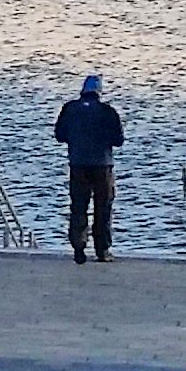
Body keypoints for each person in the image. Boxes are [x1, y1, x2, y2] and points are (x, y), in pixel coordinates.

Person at [55, 74, 124, 263]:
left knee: (78, 206)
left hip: (77, 164)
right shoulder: (107, 111)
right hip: (102, 165)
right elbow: (118, 140)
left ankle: (79, 244)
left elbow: (59, 135)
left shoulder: (69, 109)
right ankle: (102, 250)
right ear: (99, 91)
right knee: (103, 208)